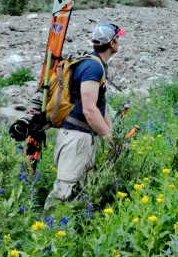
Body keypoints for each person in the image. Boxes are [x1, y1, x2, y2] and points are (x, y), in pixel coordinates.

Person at [43, 23, 126, 210]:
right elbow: (90, 110)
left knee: (79, 189)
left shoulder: (95, 64)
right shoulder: (93, 68)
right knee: (63, 190)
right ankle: (44, 232)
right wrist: (109, 136)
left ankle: (66, 230)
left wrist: (112, 132)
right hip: (76, 138)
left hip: (82, 137)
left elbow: (98, 106)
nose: (119, 41)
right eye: (118, 38)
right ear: (112, 43)